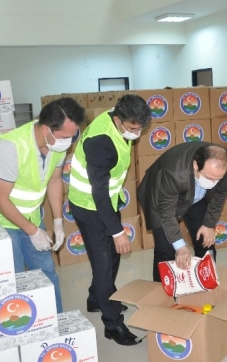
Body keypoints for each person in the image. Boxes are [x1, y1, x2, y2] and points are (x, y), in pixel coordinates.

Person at [0, 97, 85, 313]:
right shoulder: (10, 147)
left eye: (73, 137)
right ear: (46, 129)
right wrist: (34, 232)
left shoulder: (56, 144)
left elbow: (55, 180)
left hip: (30, 214)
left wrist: (58, 221)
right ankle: (20, 324)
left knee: (45, 271)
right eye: (65, 137)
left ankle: (54, 321)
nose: (69, 142)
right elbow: (0, 200)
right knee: (13, 277)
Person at [68, 94, 151, 346]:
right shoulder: (101, 142)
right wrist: (117, 231)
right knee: (104, 264)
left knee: (112, 257)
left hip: (106, 203)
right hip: (89, 206)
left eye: (140, 128)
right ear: (118, 120)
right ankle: (113, 325)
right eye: (133, 128)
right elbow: (99, 192)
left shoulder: (115, 120)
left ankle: (96, 299)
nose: (137, 134)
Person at [137, 142, 227, 281]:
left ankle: (206, 282)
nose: (213, 183)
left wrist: (208, 224)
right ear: (195, 165)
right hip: (161, 196)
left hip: (196, 195)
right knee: (166, 250)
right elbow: (166, 213)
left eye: (217, 179)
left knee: (205, 241)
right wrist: (180, 246)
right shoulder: (173, 172)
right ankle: (161, 290)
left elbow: (220, 193)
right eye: (209, 178)